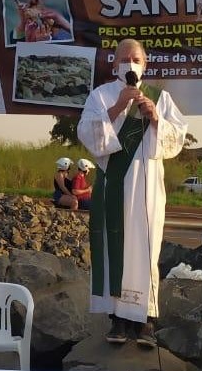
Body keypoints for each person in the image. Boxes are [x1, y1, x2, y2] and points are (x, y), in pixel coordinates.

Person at [79, 38, 188, 346]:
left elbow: (175, 140)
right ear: (114, 64)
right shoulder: (100, 96)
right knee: (114, 248)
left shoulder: (161, 97)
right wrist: (117, 108)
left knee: (146, 248)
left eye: (136, 58)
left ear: (146, 63)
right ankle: (117, 321)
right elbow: (88, 134)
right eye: (124, 58)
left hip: (148, 186)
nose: (130, 63)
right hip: (113, 185)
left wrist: (155, 118)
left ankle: (145, 322)